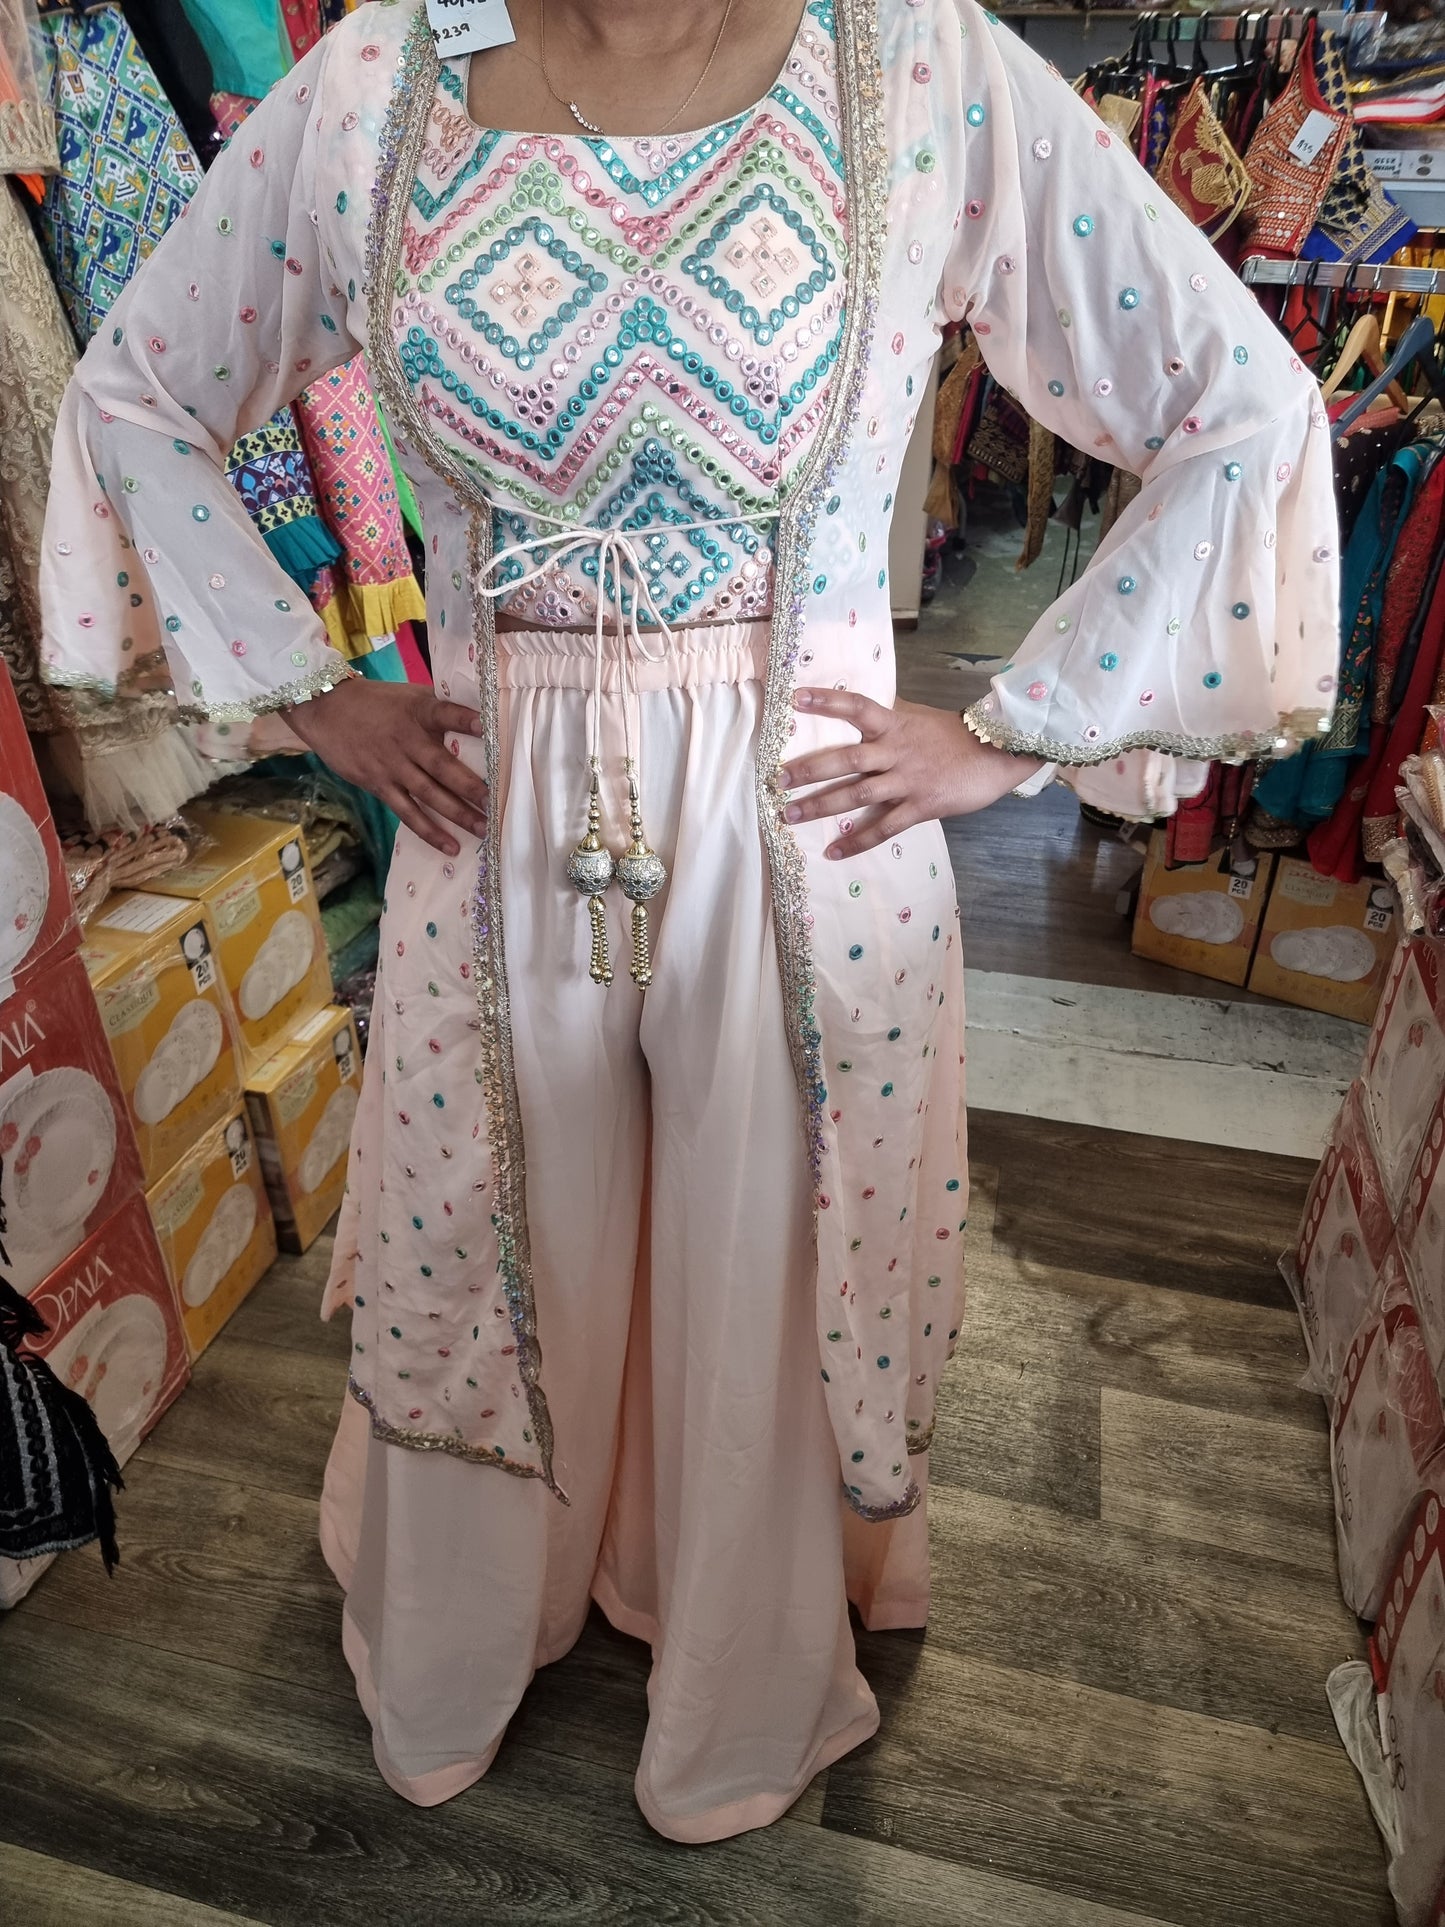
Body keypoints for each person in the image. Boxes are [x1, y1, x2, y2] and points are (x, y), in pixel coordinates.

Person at [40, 0, 1338, 1842]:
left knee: (772, 1249)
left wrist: (1008, 734)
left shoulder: (920, 64)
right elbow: (136, 391)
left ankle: (739, 1667)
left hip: (809, 809)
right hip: (486, 798)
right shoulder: (377, 79)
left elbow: (1236, 402)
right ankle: (467, 1631)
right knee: (484, 1228)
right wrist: (310, 694)